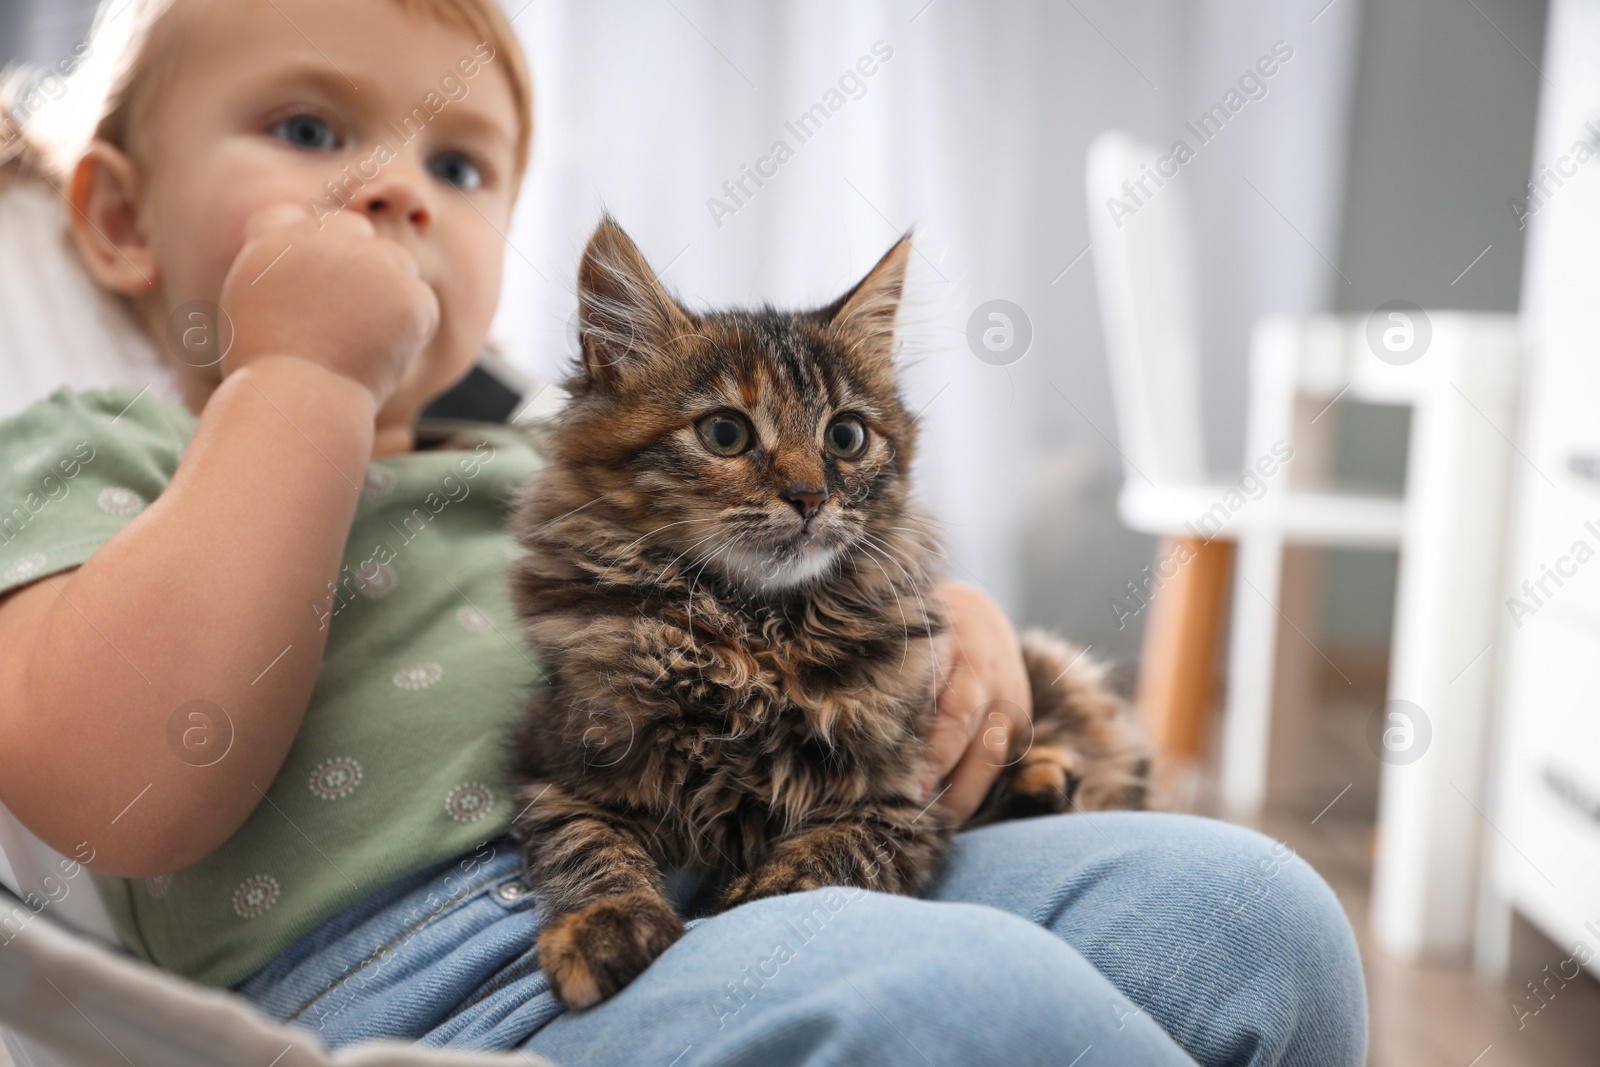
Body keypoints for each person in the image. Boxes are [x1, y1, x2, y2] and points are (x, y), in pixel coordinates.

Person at [0, 1, 1367, 1063]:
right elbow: (123, 788)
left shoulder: (568, 457)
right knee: (968, 1011)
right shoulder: (108, 450)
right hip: (438, 975)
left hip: (756, 872)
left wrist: (959, 632)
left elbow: (821, 593)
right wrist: (298, 376)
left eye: (460, 162)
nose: (399, 187)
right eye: (308, 129)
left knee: (1258, 918)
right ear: (121, 220)